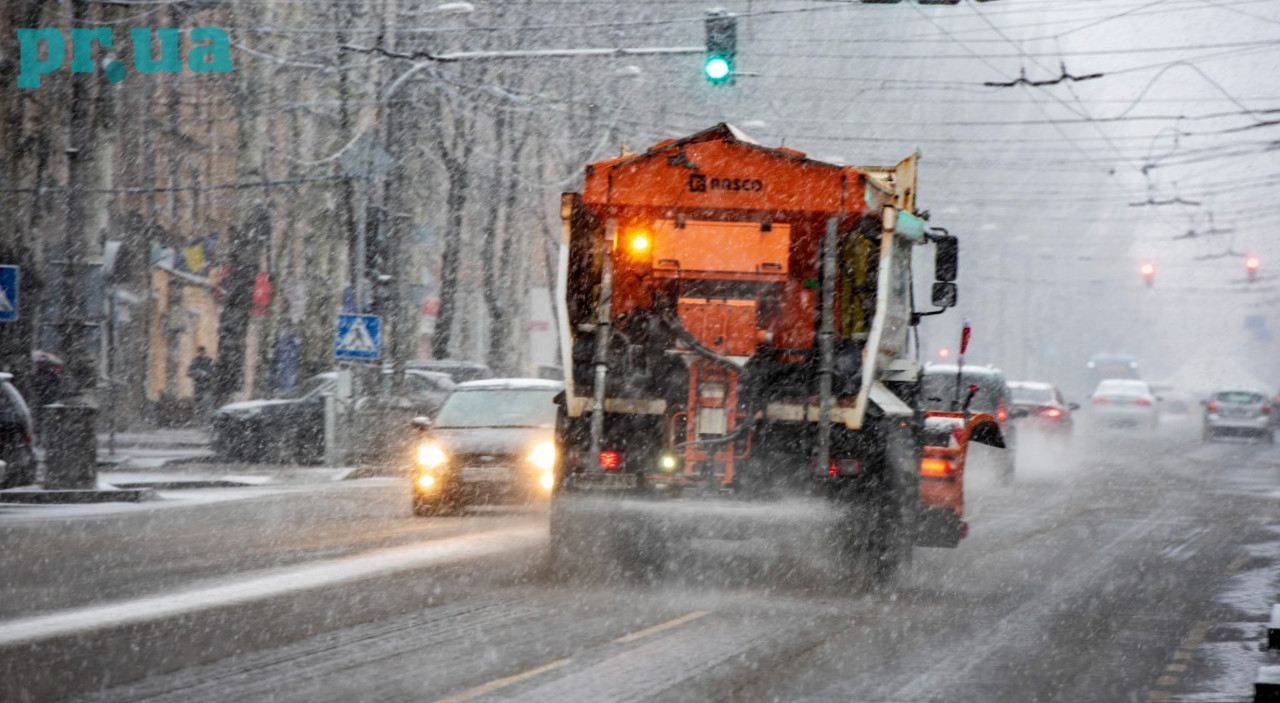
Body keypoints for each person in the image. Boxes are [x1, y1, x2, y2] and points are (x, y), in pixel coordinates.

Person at [187, 346, 216, 423]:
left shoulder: (209, 361)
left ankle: (206, 422)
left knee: (206, 406)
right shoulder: (194, 361)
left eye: (203, 352)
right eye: (200, 352)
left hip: (207, 387)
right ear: (198, 352)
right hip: (197, 387)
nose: (202, 353)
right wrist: (198, 373)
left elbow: (213, 372)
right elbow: (189, 373)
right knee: (198, 406)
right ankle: (199, 422)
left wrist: (206, 374)